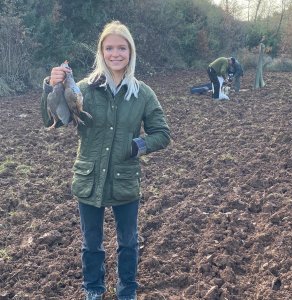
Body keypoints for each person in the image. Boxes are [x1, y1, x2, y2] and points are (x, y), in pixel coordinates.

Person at [40, 20, 171, 300]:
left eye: (121, 48)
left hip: (125, 180)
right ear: (101, 52)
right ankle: (94, 290)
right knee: (91, 245)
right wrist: (50, 88)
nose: (115, 54)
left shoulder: (143, 94)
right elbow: (54, 120)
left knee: (128, 243)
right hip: (89, 178)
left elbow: (162, 134)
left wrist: (136, 147)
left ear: (130, 52)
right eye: (109, 48)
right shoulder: (83, 90)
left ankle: (126, 291)